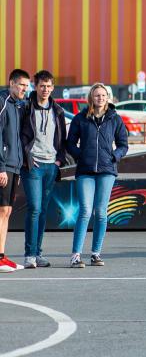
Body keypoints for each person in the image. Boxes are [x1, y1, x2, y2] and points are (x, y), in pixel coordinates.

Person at [66, 83, 129, 268]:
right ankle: (76, 255)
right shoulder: (80, 118)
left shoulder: (115, 119)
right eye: (97, 95)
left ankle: (96, 254)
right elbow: (70, 143)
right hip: (85, 171)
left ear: (107, 97)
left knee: (101, 213)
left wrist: (114, 157)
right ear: (91, 98)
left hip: (107, 171)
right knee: (85, 211)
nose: (100, 98)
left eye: (103, 95)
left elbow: (123, 145)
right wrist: (81, 156)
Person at [19, 70, 67, 269]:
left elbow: (63, 139)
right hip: (33, 166)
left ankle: (38, 253)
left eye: (48, 86)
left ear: (53, 88)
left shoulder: (58, 111)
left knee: (43, 211)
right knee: (34, 208)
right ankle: (29, 254)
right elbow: (17, 135)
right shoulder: (26, 108)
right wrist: (27, 157)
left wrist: (59, 162)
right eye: (41, 86)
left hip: (51, 166)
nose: (45, 89)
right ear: (35, 86)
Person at [0, 69, 30, 272]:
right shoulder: (3, 103)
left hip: (15, 166)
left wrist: (18, 167)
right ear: (11, 83)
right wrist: (1, 167)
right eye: (21, 85)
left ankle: (1, 256)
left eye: (27, 86)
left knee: (7, 211)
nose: (24, 89)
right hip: (4, 166)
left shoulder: (19, 106)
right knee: (1, 210)